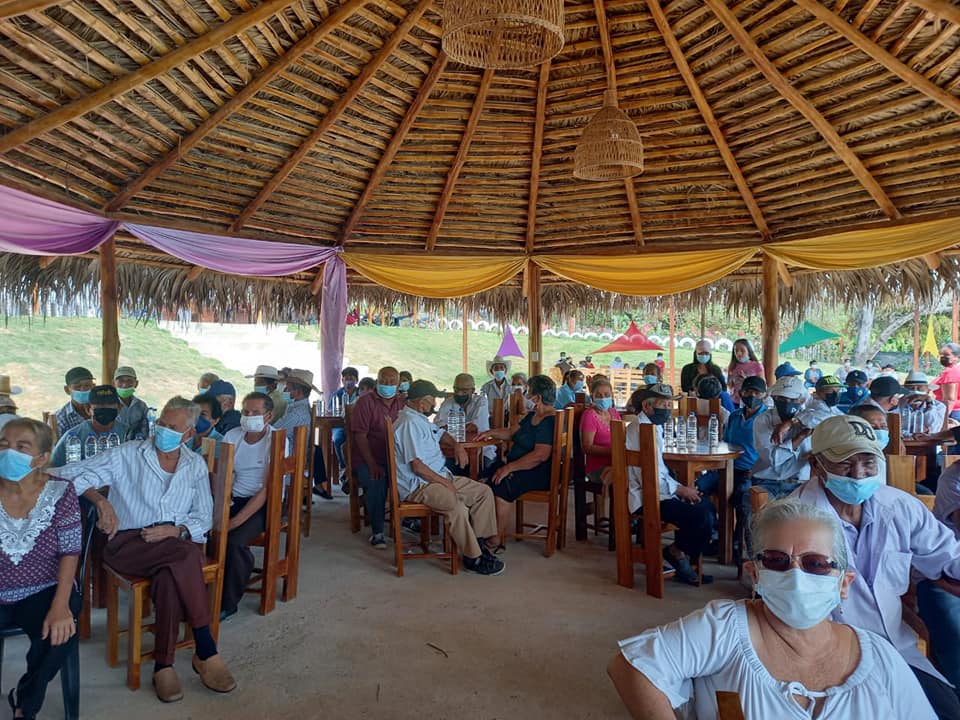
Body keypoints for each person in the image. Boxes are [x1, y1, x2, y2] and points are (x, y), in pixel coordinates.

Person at [607, 497, 936, 720]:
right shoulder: (725, 627)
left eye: (816, 564)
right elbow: (632, 667)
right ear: (755, 575)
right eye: (777, 561)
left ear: (843, 583)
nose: (796, 575)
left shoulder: (879, 658)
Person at [57, 397, 237, 703]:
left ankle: (163, 666)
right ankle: (206, 648)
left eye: (172, 427)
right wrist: (100, 501)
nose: (162, 430)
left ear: (188, 434)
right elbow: (71, 473)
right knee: (186, 555)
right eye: (161, 423)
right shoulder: (129, 454)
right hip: (128, 543)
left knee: (170, 574)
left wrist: (176, 530)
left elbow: (203, 517)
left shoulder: (194, 465)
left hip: (172, 544)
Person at [793, 415, 960, 718]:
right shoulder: (793, 520)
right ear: (817, 465)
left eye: (868, 463)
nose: (858, 475)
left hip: (896, 652)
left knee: (947, 712)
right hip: (825, 659)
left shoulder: (900, 507)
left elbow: (948, 556)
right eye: (845, 464)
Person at [0, 419, 83, 720]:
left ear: (42, 458)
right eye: (3, 445)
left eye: (21, 447)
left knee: (60, 633)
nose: (9, 453)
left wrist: (61, 605)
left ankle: (26, 706)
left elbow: (70, 551)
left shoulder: (61, 491)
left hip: (44, 587)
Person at [393, 380, 504, 575]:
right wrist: (445, 483)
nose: (434, 404)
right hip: (420, 485)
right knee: (455, 505)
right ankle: (473, 558)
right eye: (432, 400)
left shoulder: (419, 418)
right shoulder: (408, 423)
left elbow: (441, 433)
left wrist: (456, 445)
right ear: (421, 402)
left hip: (439, 477)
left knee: (483, 492)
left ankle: (480, 545)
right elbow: (417, 466)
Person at [616, 383, 714, 585]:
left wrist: (682, 489)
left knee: (707, 506)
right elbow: (647, 478)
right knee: (701, 516)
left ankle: (678, 553)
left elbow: (659, 471)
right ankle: (676, 553)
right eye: (664, 405)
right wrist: (680, 490)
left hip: (660, 490)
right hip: (647, 496)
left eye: (671, 405)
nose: (669, 409)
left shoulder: (654, 427)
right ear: (647, 406)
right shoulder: (640, 430)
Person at [219, 392, 284, 620]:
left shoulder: (276, 440)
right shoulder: (232, 435)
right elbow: (225, 474)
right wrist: (224, 502)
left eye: (255, 413)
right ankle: (206, 591)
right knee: (204, 533)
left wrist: (234, 521)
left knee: (234, 540)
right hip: (235, 496)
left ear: (269, 416)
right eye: (245, 412)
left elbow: (267, 489)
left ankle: (228, 602)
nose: (249, 416)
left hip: (265, 502)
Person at [477, 375, 558, 550]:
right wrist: (490, 433)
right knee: (484, 477)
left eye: (528, 392)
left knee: (501, 484)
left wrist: (509, 468)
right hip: (519, 466)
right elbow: (511, 432)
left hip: (537, 471)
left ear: (537, 398)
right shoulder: (533, 416)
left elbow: (540, 455)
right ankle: (482, 530)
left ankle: (495, 538)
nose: (526, 396)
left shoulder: (549, 421)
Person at [352, 367, 404, 549]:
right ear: (377, 382)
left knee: (413, 475)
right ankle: (378, 531)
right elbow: (360, 436)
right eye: (383, 381)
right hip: (368, 458)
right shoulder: (365, 402)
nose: (387, 385)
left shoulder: (403, 403)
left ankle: (409, 519)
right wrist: (372, 464)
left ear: (398, 384)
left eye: (392, 382)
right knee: (377, 479)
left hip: (396, 458)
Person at [748, 376, 812, 525]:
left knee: (805, 523)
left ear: (802, 400)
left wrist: (792, 423)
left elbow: (829, 414)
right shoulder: (763, 420)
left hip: (800, 484)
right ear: (774, 398)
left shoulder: (810, 418)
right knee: (759, 521)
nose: (787, 403)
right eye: (781, 399)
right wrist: (800, 437)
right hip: (766, 482)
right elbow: (773, 459)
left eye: (792, 399)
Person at [722, 375, 767, 558]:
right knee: (698, 489)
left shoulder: (766, 419)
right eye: (748, 392)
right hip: (727, 467)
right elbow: (724, 442)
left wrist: (755, 470)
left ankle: (738, 544)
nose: (752, 396)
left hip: (750, 472)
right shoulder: (734, 416)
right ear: (741, 393)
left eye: (757, 392)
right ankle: (716, 536)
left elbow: (768, 452)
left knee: (742, 498)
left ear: (764, 395)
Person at [51, 385, 133, 466]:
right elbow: (53, 466)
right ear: (88, 409)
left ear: (119, 408)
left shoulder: (128, 434)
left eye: (110, 404)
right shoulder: (73, 437)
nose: (104, 408)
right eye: (99, 405)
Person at [273, 369, 319, 494]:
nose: (284, 391)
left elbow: (273, 433)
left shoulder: (297, 414)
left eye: (287, 388)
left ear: (298, 392)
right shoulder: (297, 408)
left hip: (288, 461)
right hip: (290, 456)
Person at [434, 373, 493, 470]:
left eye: (464, 391)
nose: (459, 394)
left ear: (472, 390)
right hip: (451, 449)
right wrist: (464, 427)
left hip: (480, 450)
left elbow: (475, 427)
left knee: (482, 469)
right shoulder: (448, 402)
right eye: (456, 390)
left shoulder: (481, 401)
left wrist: (450, 426)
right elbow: (437, 426)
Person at [580, 377, 621, 484]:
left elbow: (622, 436)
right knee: (625, 478)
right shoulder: (589, 415)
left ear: (612, 396)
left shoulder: (614, 412)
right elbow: (587, 447)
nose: (603, 398)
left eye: (607, 395)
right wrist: (613, 451)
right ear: (592, 398)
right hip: (598, 468)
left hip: (617, 462)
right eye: (598, 395)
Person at [328, 366, 361, 490]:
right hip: (340, 426)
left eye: (351, 379)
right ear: (342, 380)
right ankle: (344, 468)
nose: (348, 382)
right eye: (346, 379)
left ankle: (355, 470)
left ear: (356, 380)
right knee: (338, 439)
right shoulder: (337, 395)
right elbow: (330, 412)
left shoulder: (361, 393)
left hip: (356, 426)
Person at [54, 367, 95, 435]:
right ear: (67, 390)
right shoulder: (60, 418)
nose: (83, 390)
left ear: (93, 387)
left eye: (87, 385)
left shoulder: (102, 410)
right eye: (77, 386)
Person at [114, 366, 149, 439]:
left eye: (129, 381)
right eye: (121, 381)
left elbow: (146, 430)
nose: (125, 384)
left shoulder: (141, 406)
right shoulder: (108, 404)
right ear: (114, 383)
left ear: (136, 384)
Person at [726, 338, 764, 406]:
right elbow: (730, 386)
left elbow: (762, 385)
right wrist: (732, 378)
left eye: (742, 350)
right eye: (736, 351)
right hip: (735, 401)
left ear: (748, 351)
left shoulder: (757, 366)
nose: (739, 353)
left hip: (751, 401)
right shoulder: (733, 366)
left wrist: (747, 380)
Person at [934, 342, 960, 422]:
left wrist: (942, 419)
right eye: (941, 354)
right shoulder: (953, 370)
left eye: (946, 355)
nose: (942, 357)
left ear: (957, 357)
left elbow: (949, 399)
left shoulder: (950, 372)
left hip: (951, 413)